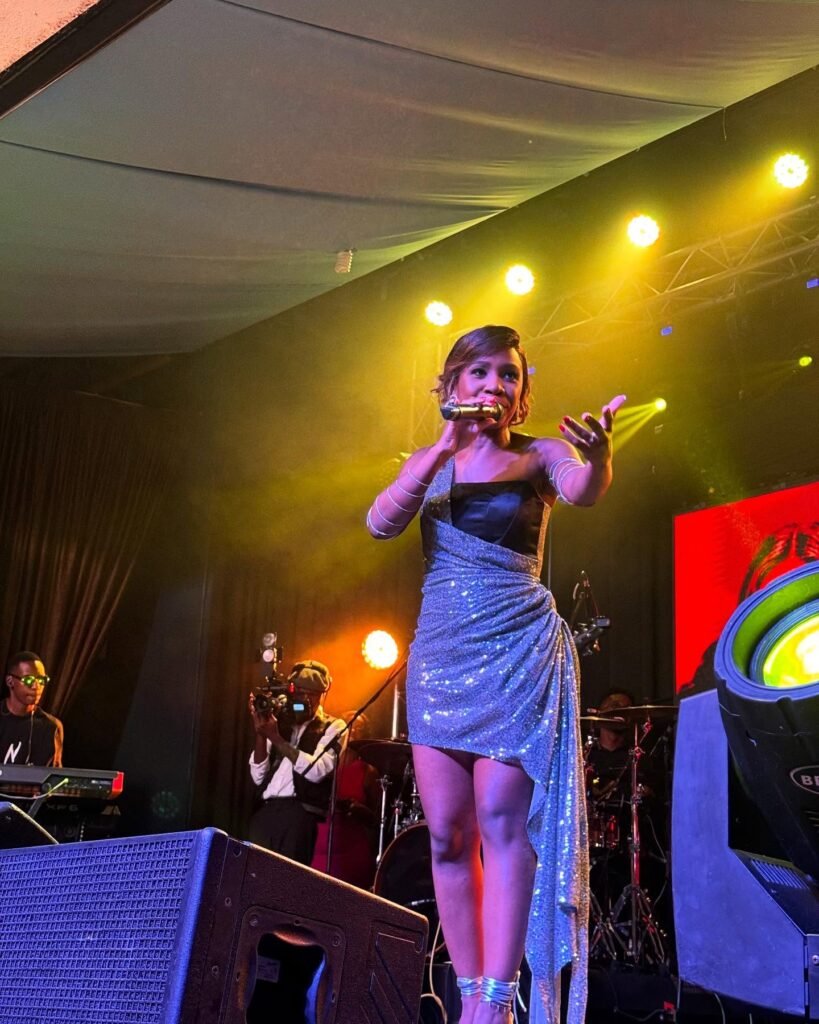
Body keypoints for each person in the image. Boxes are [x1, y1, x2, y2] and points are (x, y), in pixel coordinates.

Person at [366, 325, 624, 1024]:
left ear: (520, 392)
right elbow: (379, 523)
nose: (493, 385)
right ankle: (471, 987)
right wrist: (440, 450)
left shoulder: (539, 454)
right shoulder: (430, 461)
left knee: (503, 823)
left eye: (508, 374)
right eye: (479, 372)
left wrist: (600, 460)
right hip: (442, 656)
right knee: (447, 836)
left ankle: (495, 998)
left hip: (515, 654)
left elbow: (582, 489)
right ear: (451, 384)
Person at [248, 659, 346, 866]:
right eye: (300, 692)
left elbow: (317, 771)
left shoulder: (334, 726)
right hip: (266, 811)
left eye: (312, 694)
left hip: (299, 815)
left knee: (286, 880)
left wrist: (276, 738)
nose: (305, 699)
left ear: (323, 694)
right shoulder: (280, 721)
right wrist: (261, 732)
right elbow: (257, 776)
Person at [1, 651, 63, 767]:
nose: (36, 686)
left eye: (41, 680)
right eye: (28, 680)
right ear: (10, 681)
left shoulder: (51, 726)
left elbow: (54, 773)